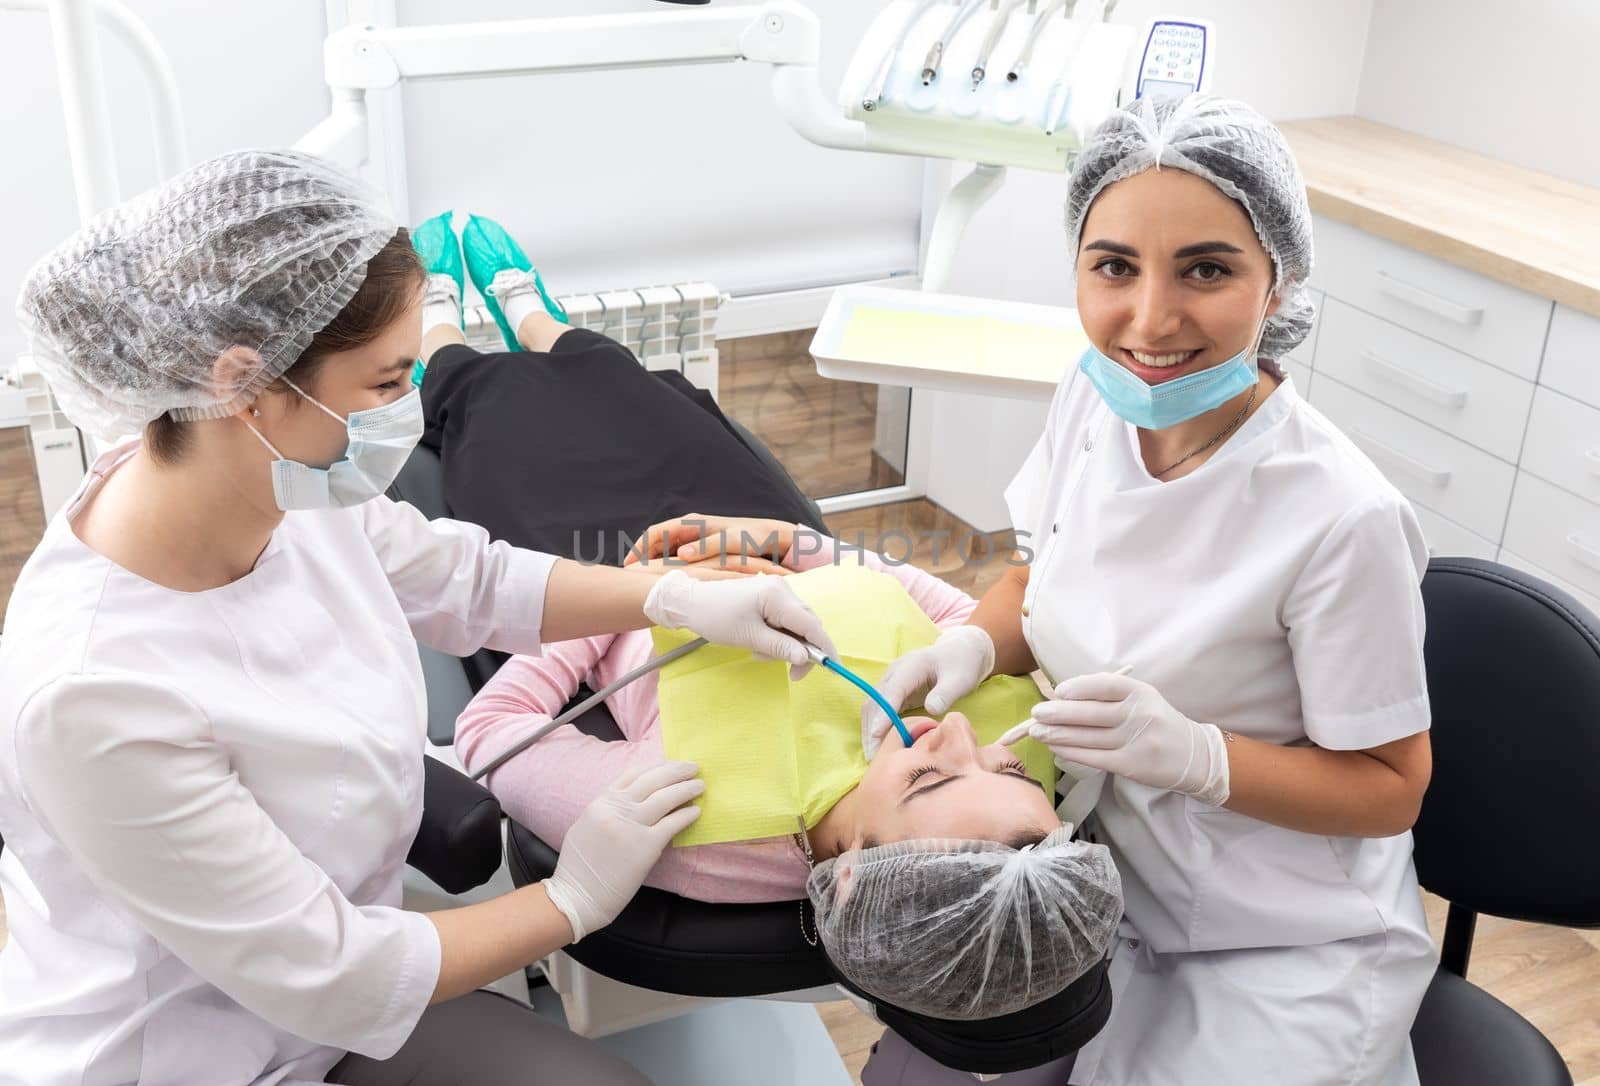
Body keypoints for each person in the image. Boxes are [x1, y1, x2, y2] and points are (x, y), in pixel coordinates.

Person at [0, 150, 839, 1086]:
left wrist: (670, 598)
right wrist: (574, 898)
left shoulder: (271, 485)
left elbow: (465, 579)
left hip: (334, 968)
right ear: (243, 382)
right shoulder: (94, 697)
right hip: (196, 1049)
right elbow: (334, 977)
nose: (409, 411)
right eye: (388, 382)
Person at [864, 95, 1438, 1086]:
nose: (1149, 318)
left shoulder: (1342, 519)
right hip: (1103, 886)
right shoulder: (1090, 393)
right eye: (1114, 266)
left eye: (1206, 269)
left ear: (1279, 280)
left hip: (1284, 941)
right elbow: (1037, 574)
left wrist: (1200, 757)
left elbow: (1391, 789)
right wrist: (968, 645)